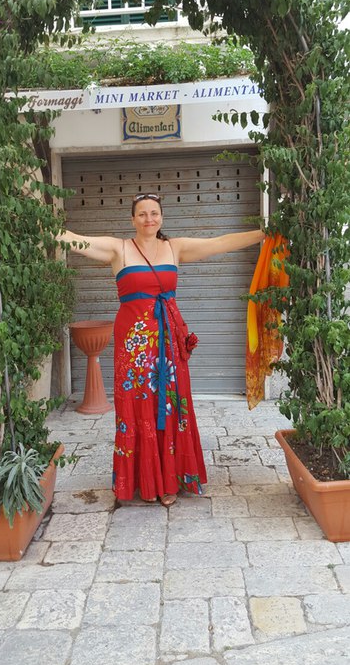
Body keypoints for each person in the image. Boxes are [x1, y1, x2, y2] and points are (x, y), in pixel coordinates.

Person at [59, 193, 264, 507]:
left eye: (154, 213)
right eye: (142, 214)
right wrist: (40, 224)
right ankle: (144, 481)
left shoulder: (175, 247)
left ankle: (169, 480)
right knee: (137, 407)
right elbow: (74, 239)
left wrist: (263, 233)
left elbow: (219, 243)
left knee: (170, 406)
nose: (149, 219)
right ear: (132, 219)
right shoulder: (118, 249)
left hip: (169, 343)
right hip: (135, 346)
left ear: (161, 217)